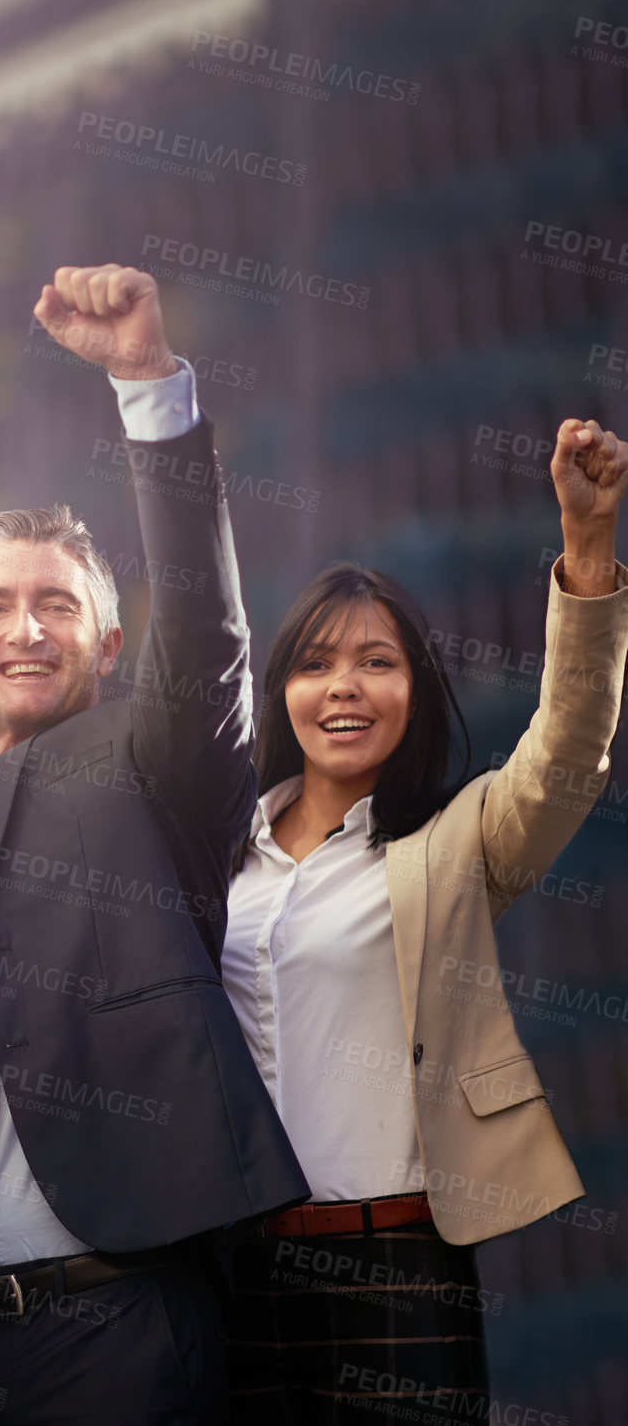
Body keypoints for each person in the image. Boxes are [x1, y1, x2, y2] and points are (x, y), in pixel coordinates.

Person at [0, 263, 309, 1425]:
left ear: (108, 647)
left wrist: (149, 390)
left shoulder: (150, 772)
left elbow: (208, 644)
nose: (25, 627)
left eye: (57, 605)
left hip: (112, 1334)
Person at [221, 419, 628, 1424]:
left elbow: (568, 747)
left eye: (377, 663)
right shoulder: (219, 856)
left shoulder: (453, 840)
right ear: (282, 691)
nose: (345, 688)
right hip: (234, 1271)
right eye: (316, 665)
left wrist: (584, 549)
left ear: (415, 691)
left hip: (400, 1261)